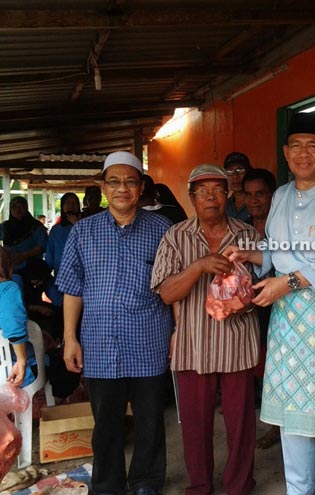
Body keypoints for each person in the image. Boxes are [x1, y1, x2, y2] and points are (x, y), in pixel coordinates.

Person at [229, 113, 315, 495]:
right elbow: (275, 250)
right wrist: (249, 255)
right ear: (286, 154)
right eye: (296, 147)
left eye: (312, 146)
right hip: (287, 318)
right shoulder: (283, 196)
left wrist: (284, 284)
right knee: (292, 416)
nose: (304, 154)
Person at [57, 151, 172, 495]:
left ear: (140, 187)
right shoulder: (83, 232)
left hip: (149, 339)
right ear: (103, 186)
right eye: (114, 181)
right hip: (100, 342)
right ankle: (107, 485)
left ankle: (146, 481)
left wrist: (178, 334)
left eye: (130, 181)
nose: (122, 188)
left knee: (150, 419)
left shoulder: (163, 230)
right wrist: (70, 338)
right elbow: (72, 289)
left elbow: (176, 287)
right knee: (106, 423)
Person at [151, 164, 262, 495]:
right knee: (195, 426)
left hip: (237, 344)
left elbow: (265, 288)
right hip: (193, 345)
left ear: (228, 195)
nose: (211, 198)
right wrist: (198, 267)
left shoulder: (248, 235)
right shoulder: (176, 236)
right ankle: (200, 486)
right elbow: (166, 292)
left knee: (241, 425)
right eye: (203, 192)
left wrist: (243, 295)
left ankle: (239, 485)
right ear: (191, 197)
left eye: (218, 190)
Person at [241, 168, 279, 448]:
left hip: (277, 305)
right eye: (249, 194)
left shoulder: (283, 226)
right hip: (245, 306)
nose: (254, 200)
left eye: (260, 194)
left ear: (272, 195)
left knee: (273, 366)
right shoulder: (239, 227)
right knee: (252, 365)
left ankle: (276, 426)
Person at [0, 246, 35, 388]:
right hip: (10, 370)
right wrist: (21, 360)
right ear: (9, 268)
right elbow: (14, 326)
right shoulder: (8, 288)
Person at [0, 196, 48, 290]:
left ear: (26, 208)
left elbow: (42, 246)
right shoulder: (4, 227)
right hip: (10, 270)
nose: (18, 210)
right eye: (15, 207)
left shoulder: (36, 226)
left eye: (21, 206)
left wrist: (24, 255)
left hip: (33, 269)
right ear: (10, 209)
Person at [223, 152, 252, 221]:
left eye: (240, 170)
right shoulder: (224, 205)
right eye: (229, 171)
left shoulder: (255, 203)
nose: (235, 176)